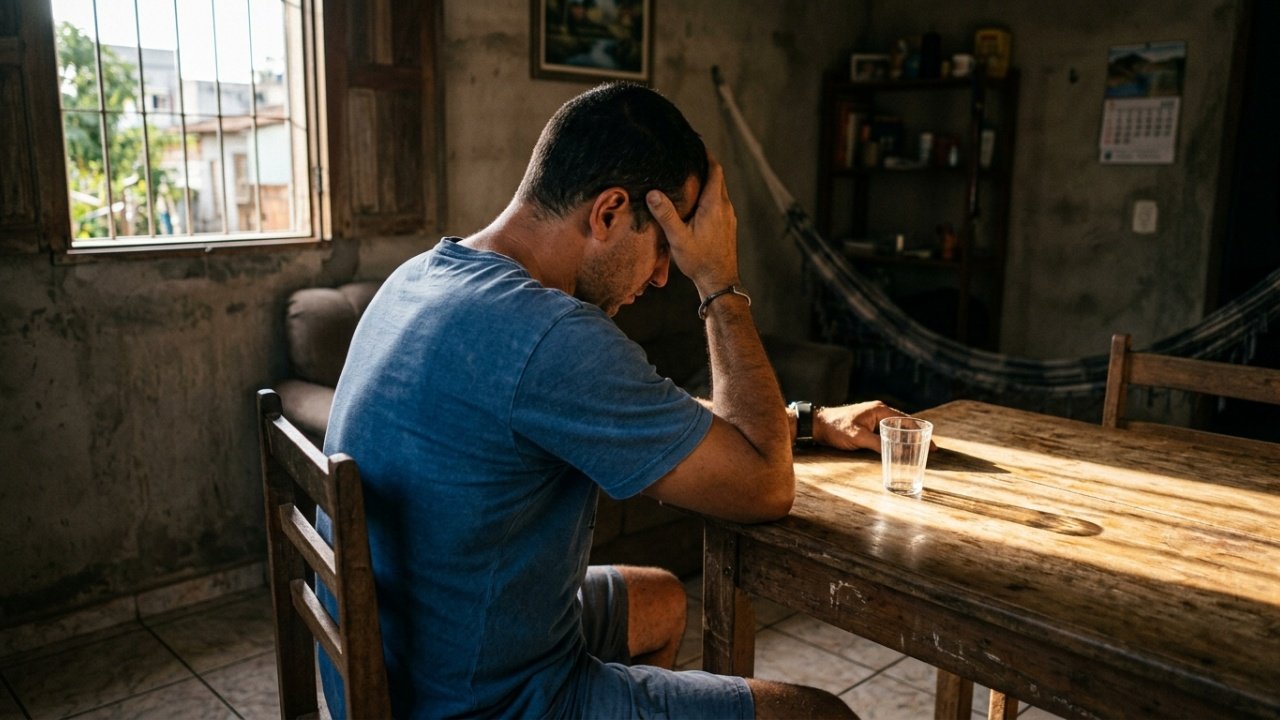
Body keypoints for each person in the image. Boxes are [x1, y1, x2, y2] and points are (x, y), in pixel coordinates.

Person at [319, 81, 906, 719]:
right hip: (478, 703)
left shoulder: (420, 275)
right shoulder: (552, 335)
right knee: (822, 715)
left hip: (390, 660)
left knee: (661, 601)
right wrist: (718, 279)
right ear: (608, 212)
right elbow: (764, 487)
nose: (663, 276)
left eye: (683, 255)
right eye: (666, 246)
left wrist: (807, 422)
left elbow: (658, 422)